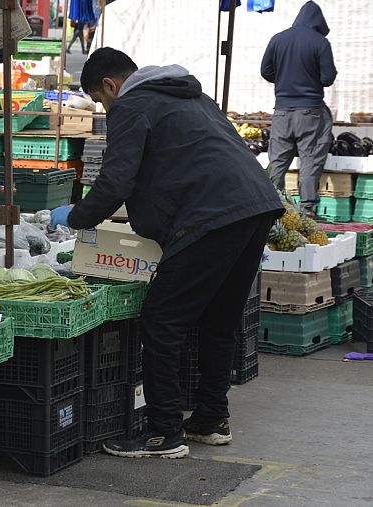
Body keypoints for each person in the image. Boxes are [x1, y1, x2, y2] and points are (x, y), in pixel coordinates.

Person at [50, 48, 284, 458]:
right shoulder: (189, 95)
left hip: (211, 215)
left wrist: (77, 217)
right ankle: (211, 419)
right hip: (256, 205)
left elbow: (115, 182)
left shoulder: (133, 105)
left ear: (110, 85)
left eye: (103, 102)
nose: (107, 109)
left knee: (162, 319)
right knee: (219, 318)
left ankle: (163, 433)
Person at [262, 1, 337, 216]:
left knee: (277, 160)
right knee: (310, 158)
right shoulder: (320, 42)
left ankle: (272, 205)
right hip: (311, 111)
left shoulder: (277, 39)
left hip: (282, 112)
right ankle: (306, 208)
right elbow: (327, 78)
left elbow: (266, 71)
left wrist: (285, 79)